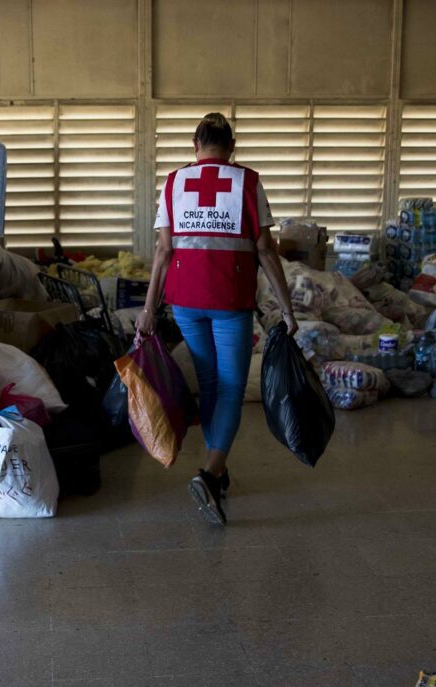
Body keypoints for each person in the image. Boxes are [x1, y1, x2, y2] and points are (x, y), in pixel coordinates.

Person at [136, 113, 297, 527]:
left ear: (195, 145)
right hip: (229, 299)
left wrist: (149, 309)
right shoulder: (247, 181)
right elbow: (265, 251)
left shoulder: (174, 183)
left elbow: (162, 252)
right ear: (232, 146)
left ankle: (218, 470)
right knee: (230, 388)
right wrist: (287, 306)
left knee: (210, 384)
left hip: (184, 300)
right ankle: (209, 472)